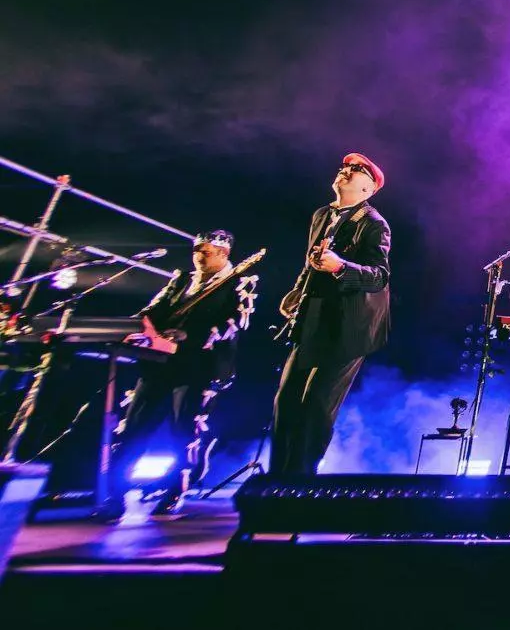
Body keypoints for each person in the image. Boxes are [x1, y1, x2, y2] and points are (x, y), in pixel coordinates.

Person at [103, 230, 257, 519]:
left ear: (223, 253)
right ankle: (115, 492)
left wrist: (192, 336)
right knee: (135, 425)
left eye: (206, 252)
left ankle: (175, 488)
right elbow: (155, 307)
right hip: (159, 362)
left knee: (183, 429)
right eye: (196, 250)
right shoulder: (182, 279)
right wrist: (141, 326)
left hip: (198, 366)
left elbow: (237, 321)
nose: (198, 256)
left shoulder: (239, 282)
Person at [271, 152, 391, 475]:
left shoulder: (373, 223)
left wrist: (340, 267)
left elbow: (379, 276)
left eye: (356, 169)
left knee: (317, 404)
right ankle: (276, 479)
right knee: (286, 398)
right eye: (345, 166)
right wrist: (298, 289)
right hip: (314, 316)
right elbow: (312, 260)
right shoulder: (322, 215)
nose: (345, 170)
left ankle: (300, 481)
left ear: (368, 189)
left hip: (349, 326)